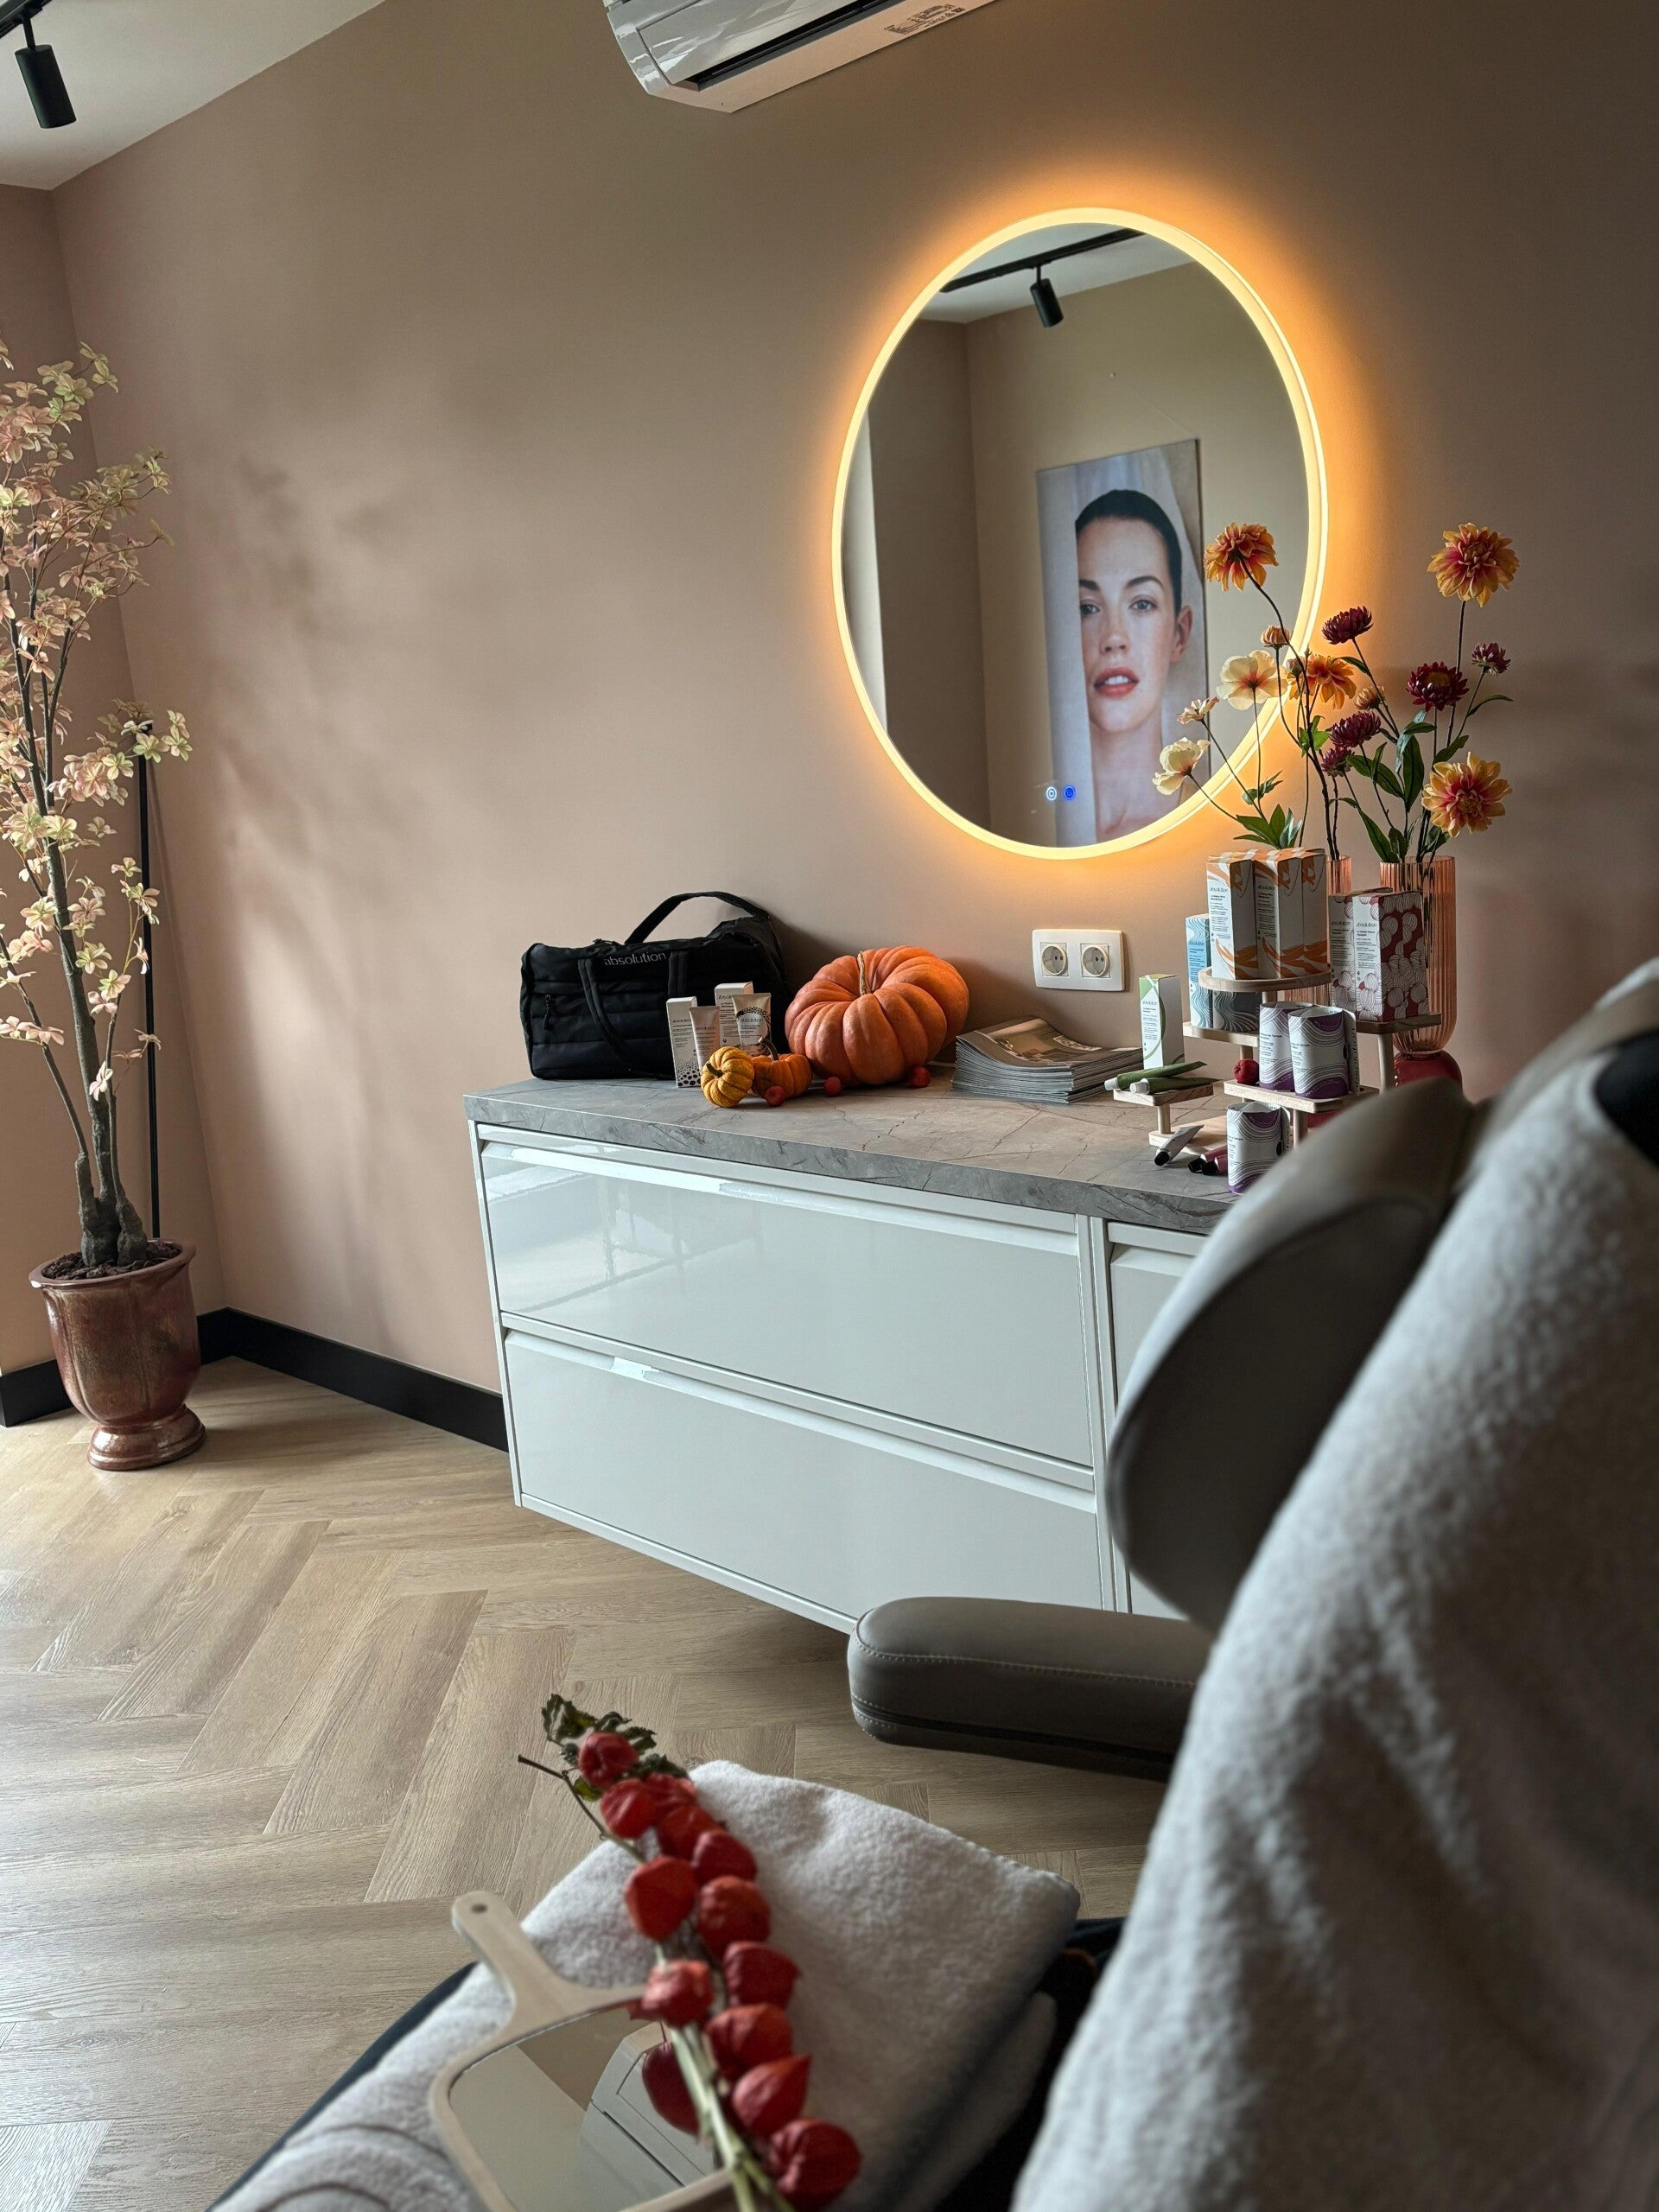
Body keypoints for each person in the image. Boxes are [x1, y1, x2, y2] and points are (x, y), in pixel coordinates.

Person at [1073, 488, 1195, 840]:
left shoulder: (1208, 820)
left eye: (1141, 604)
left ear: (1179, 634)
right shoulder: (1051, 831)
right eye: (1087, 608)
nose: (1114, 637)